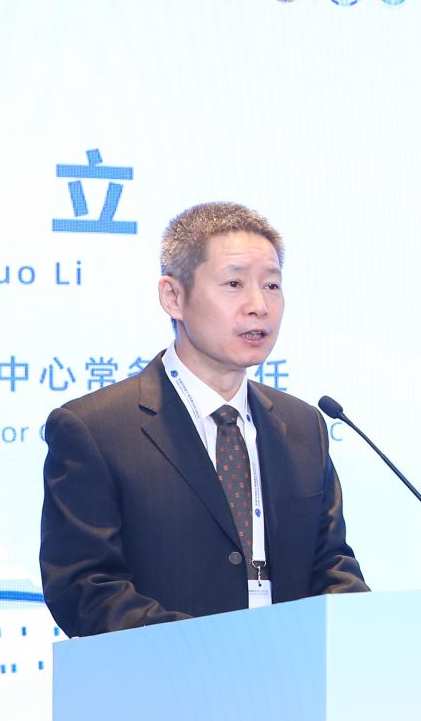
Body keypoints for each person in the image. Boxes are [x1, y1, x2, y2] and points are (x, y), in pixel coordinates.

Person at [40, 202, 367, 637]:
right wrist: (211, 651)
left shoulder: (303, 425)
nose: (259, 305)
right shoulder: (95, 429)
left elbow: (332, 564)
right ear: (173, 297)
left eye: (271, 285)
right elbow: (87, 589)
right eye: (234, 284)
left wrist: (354, 634)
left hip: (292, 670)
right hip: (168, 673)